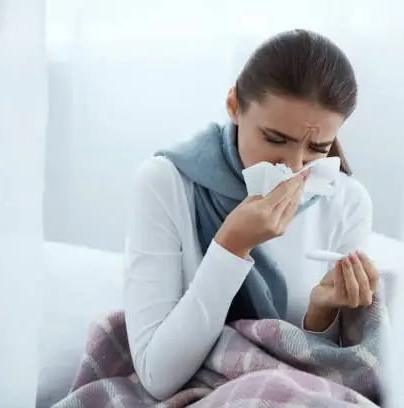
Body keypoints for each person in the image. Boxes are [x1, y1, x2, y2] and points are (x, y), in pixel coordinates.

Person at [124, 29, 380, 400]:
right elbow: (157, 375)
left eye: (317, 148)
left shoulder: (347, 201)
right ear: (234, 105)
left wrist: (320, 316)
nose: (293, 167)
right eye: (275, 139)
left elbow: (327, 375)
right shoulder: (166, 182)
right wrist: (231, 246)